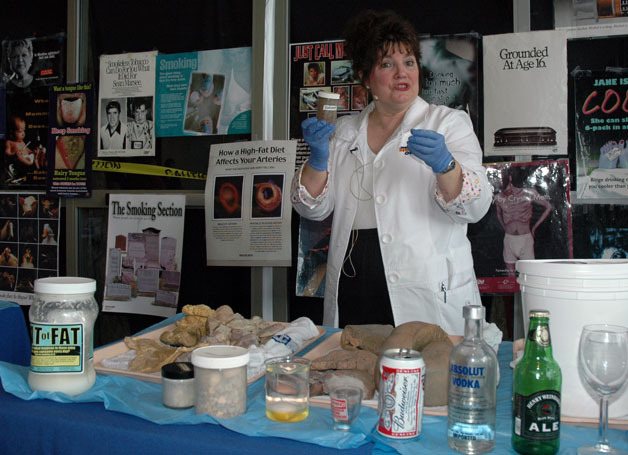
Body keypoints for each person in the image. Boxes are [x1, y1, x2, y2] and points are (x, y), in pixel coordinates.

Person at [290, 9, 492, 334]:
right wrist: (317, 160)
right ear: (365, 76)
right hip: (355, 281)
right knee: (354, 374)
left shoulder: (447, 123)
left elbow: (476, 207)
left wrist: (446, 165)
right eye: (387, 64)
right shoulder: (342, 132)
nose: (403, 72)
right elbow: (311, 208)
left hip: (426, 287)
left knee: (427, 373)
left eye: (409, 62)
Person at [494, 166, 552, 277]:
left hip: (525, 239)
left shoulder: (529, 193)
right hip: (509, 240)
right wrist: (504, 227)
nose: (500, 182)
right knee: (511, 278)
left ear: (510, 178)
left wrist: (534, 228)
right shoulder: (498, 198)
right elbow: (498, 214)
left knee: (529, 276)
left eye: (502, 178)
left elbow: (548, 206)